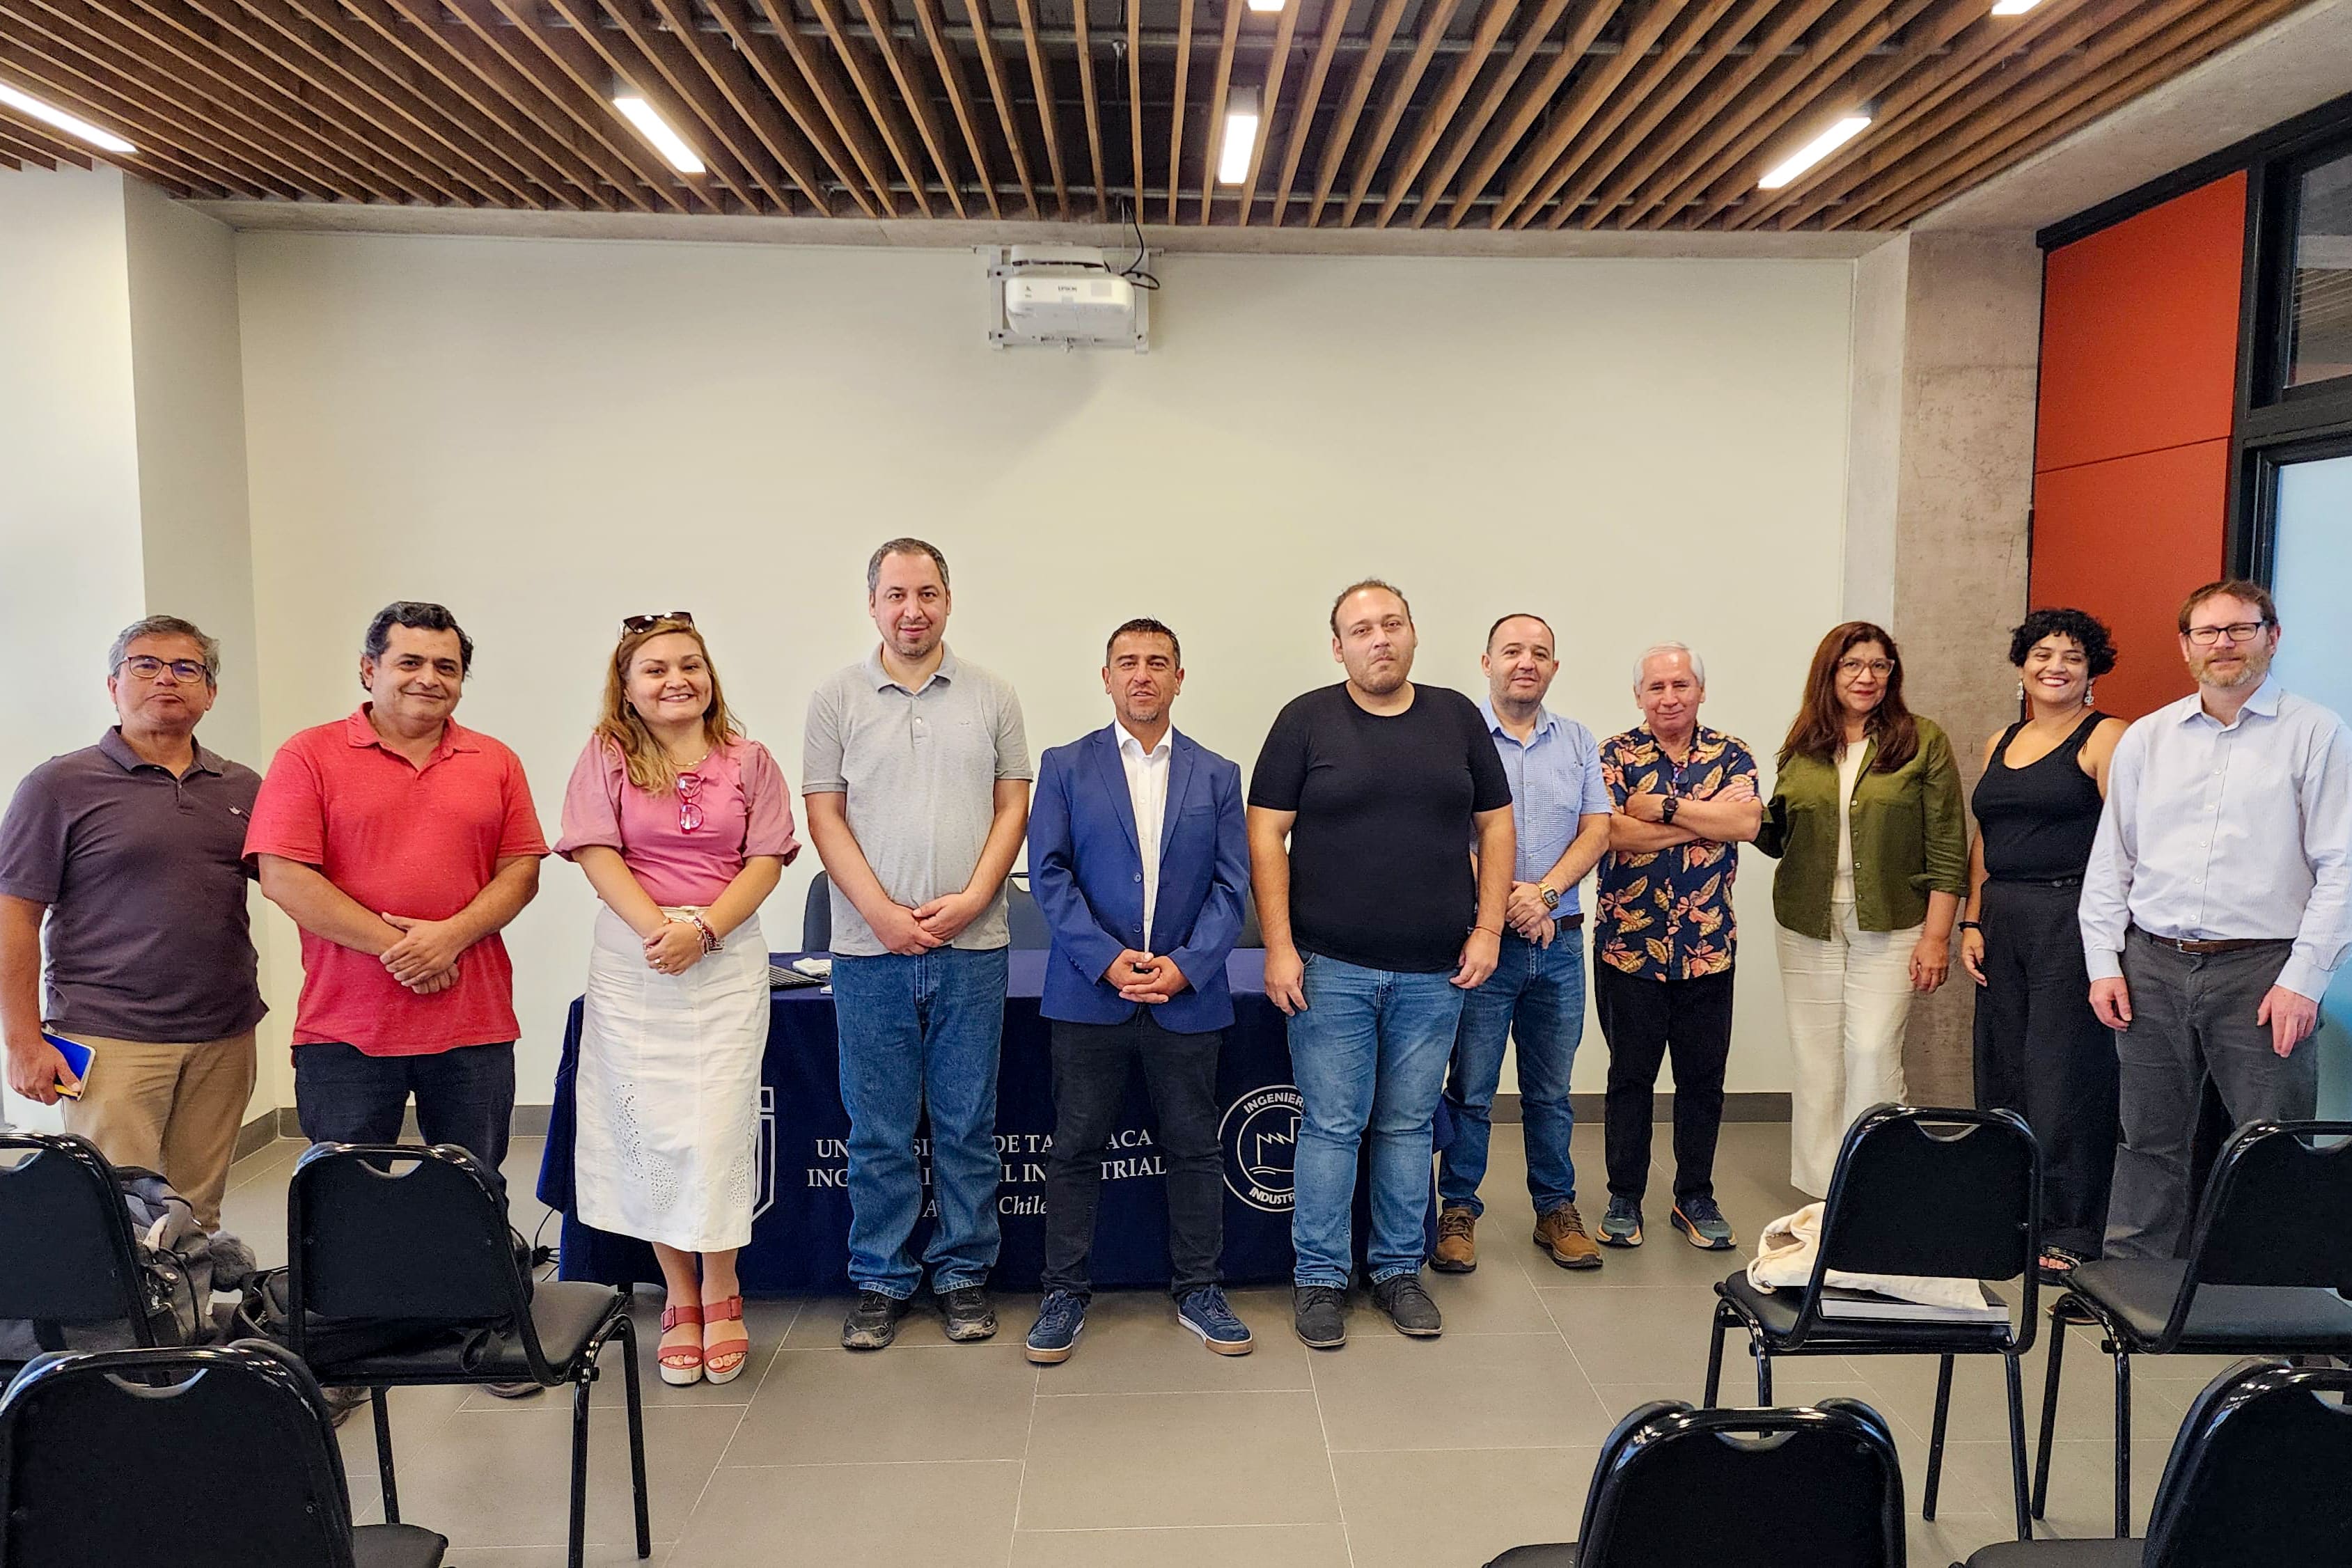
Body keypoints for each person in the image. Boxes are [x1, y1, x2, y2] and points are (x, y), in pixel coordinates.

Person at [1248, 580, 1514, 1349]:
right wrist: (1279, 944)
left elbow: (1495, 826)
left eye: (1390, 623)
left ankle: (1398, 1270)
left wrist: (1489, 928)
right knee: (1332, 1126)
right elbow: (1266, 833)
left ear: (1413, 633)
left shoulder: (1457, 717)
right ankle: (1321, 1279)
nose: (1379, 639)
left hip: (1436, 969)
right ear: (1338, 646)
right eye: (1360, 629)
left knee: (1403, 1126)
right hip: (1331, 967)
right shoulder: (1306, 719)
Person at [556, 613, 797, 1387]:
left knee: (719, 1125)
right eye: (656, 668)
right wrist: (660, 930)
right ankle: (681, 1291)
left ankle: (723, 1284)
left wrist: (707, 931)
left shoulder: (749, 759)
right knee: (651, 1129)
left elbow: (766, 858)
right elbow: (596, 850)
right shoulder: (606, 755)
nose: (676, 680)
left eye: (690, 665)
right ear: (626, 685)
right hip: (635, 962)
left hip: (724, 958)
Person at [802, 538, 1030, 1351]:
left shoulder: (993, 696)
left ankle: (964, 1272)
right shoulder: (836, 699)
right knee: (879, 1128)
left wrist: (974, 899)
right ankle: (882, 1277)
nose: (912, 609)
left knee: (968, 1121)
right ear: (872, 604)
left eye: (927, 593)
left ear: (948, 599)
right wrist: (881, 913)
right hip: (869, 953)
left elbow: (1012, 808)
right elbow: (824, 815)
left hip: (975, 946)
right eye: (896, 594)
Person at [2081, 580, 2352, 1260]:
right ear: (2186, 646)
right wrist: (2103, 962)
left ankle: (2271, 1282)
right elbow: (2113, 858)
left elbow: (2342, 864)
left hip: (2264, 967)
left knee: (2272, 1135)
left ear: (2272, 635)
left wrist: (2305, 980)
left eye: (2240, 627)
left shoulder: (2316, 734)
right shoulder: (2148, 738)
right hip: (2152, 961)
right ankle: (2133, 1276)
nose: (2224, 643)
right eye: (2208, 631)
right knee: (2147, 1135)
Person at [245, 601, 547, 1186]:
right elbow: (284, 876)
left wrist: (449, 939)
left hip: (473, 1024)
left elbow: (521, 873)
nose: (429, 678)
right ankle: (357, 1285)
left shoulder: (496, 760)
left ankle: (467, 1284)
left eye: (447, 666)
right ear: (368, 669)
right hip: (347, 1025)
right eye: (410, 661)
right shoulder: (308, 755)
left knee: (474, 1188)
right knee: (344, 1196)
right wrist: (406, 949)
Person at [1023, 618, 1253, 1365]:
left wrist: (1188, 962)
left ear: (1180, 677)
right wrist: (1106, 958)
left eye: (1159, 662)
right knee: (1075, 1146)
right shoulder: (1064, 765)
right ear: (1107, 675)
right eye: (1129, 662)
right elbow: (1048, 873)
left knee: (1193, 1145)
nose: (1143, 674)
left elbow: (1231, 882)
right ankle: (1063, 1292)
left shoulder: (1217, 773)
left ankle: (1199, 1288)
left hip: (1188, 993)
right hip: (1091, 992)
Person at [0, 617, 265, 1230]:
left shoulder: (243, 787)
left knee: (198, 1213)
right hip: (110, 1037)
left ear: (210, 693)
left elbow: (300, 886)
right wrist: (22, 1042)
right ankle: (123, 1332)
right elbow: (15, 919)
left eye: (186, 668)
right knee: (117, 1217)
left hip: (224, 1035)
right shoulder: (58, 785)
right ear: (114, 685)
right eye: (145, 665)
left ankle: (188, 1321)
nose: (165, 679)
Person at [1757, 622, 1966, 1198]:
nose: (1866, 677)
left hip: (1896, 921)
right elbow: (1779, 833)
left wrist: (1937, 937)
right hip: (1807, 922)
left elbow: (1948, 843)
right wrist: (1719, 816)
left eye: (1879, 666)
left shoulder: (1923, 740)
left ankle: (1875, 1186)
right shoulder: (1804, 745)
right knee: (1816, 1061)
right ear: (1829, 672)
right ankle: (1825, 1194)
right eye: (1852, 665)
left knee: (1872, 1052)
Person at [1432, 614, 1611, 1275]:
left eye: (1540, 653)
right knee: (1472, 1087)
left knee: (1551, 1090)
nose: (1525, 663)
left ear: (1554, 668)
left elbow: (1598, 828)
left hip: (1559, 942)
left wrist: (1547, 896)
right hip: (1487, 944)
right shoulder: (1455, 738)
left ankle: (1555, 1210)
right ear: (1486, 663)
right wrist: (1511, 901)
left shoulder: (1579, 742)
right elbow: (1449, 833)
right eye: (1512, 651)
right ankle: (1458, 1210)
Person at [1960, 609, 2127, 1280]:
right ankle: (2010, 1214)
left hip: (2072, 914)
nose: (2055, 666)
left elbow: (2125, 843)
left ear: (2092, 670)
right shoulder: (2002, 738)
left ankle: (2071, 1228)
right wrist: (1973, 920)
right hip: (2002, 916)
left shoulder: (2108, 736)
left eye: (2072, 657)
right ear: (2022, 664)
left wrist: (2109, 940)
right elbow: (1985, 838)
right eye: (2043, 653)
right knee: (2002, 1072)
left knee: (2065, 1076)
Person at [1592, 643, 1762, 1251]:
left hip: (1708, 947)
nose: (1670, 697)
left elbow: (1747, 824)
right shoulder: (1612, 754)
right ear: (1639, 695)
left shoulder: (1732, 753)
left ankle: (1694, 1195)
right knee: (1629, 1078)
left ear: (1700, 691)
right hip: (1628, 946)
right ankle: (1624, 1196)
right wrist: (1703, 818)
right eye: (1657, 687)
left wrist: (1662, 810)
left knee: (1702, 1082)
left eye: (1681, 685)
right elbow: (1611, 833)